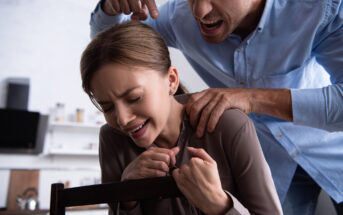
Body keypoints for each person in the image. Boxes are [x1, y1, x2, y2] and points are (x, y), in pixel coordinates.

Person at [89, 0, 343, 214]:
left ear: (172, 80)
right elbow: (112, 49)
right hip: (274, 167)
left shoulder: (320, 8)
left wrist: (252, 99)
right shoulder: (179, 17)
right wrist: (110, 8)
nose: (199, 11)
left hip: (333, 152)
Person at [80, 20, 283, 215]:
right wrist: (127, 197)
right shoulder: (112, 139)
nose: (122, 119)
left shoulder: (228, 126)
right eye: (107, 108)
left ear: (171, 80)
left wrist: (220, 205)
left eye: (135, 98)